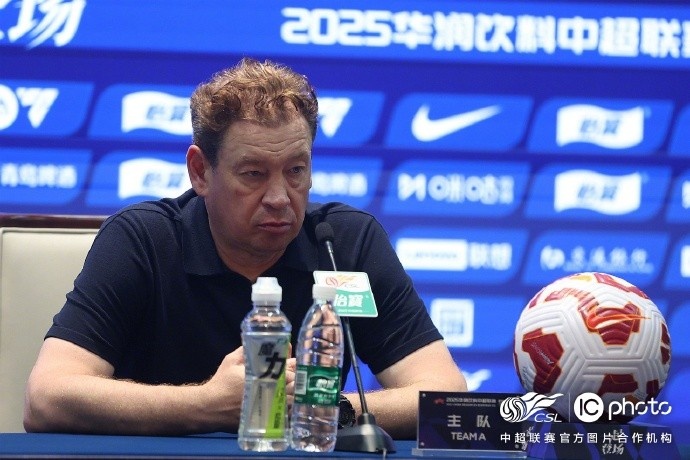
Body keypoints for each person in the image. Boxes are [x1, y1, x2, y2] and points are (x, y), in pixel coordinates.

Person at [23, 57, 467, 439]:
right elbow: (46, 398)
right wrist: (206, 404)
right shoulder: (144, 241)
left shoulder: (344, 244)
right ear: (201, 172)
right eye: (254, 174)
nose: (279, 197)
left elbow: (445, 396)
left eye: (296, 170)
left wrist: (323, 407)